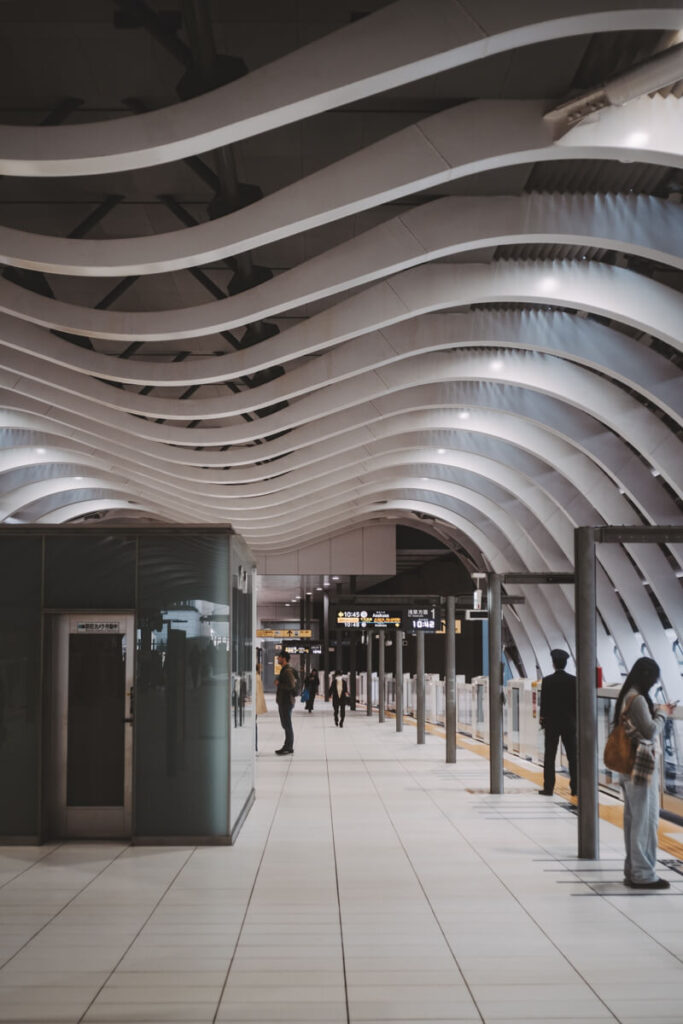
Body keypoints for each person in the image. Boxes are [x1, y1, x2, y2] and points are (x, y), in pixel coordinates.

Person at [613, 657, 676, 889]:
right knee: (645, 821)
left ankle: (633, 870)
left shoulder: (627, 695)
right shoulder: (637, 699)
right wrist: (663, 713)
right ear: (647, 677)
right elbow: (650, 732)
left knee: (633, 820)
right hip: (640, 766)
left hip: (627, 767)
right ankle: (643, 875)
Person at [538, 649, 577, 797]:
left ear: (553, 664)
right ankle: (575, 788)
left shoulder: (547, 681)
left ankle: (548, 788)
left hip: (552, 724)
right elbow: (576, 703)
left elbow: (545, 703)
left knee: (550, 756)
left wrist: (543, 719)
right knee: (573, 756)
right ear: (566, 664)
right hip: (569, 723)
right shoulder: (574, 681)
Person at [274, 651, 297, 755]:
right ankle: (288, 746)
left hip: (286, 701)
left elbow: (291, 686)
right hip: (285, 701)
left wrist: (279, 684)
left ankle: (288, 747)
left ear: (284, 658)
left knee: (287, 725)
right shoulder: (285, 670)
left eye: (279, 657)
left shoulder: (287, 671)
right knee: (286, 724)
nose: (278, 659)